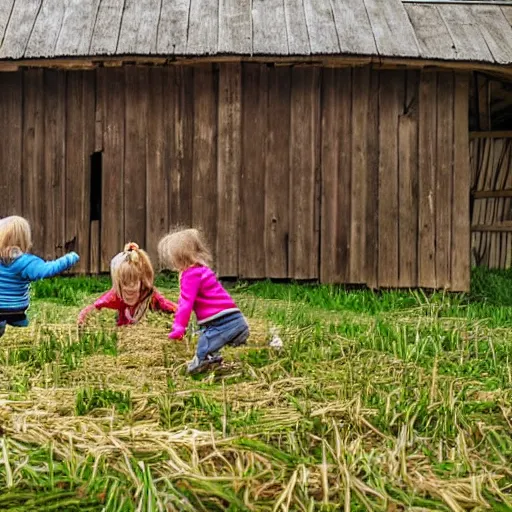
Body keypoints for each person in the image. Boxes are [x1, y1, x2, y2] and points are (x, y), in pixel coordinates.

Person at [158, 228, 249, 374]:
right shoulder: (203, 270)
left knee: (204, 345)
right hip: (234, 317)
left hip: (222, 321)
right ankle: (217, 357)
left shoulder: (190, 275)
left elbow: (185, 303)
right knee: (207, 334)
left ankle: (202, 362)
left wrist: (179, 327)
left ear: (179, 257)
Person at [0, 215, 79, 338]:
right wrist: (70, 258)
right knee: (23, 333)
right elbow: (47, 270)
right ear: (24, 240)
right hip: (16, 310)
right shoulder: (26, 262)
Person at [78, 242, 176, 326]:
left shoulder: (148, 295)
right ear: (119, 285)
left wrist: (182, 313)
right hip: (124, 335)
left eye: (134, 282)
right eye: (125, 283)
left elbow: (167, 305)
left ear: (141, 282)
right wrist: (82, 317)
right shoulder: (115, 296)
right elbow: (96, 306)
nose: (130, 287)